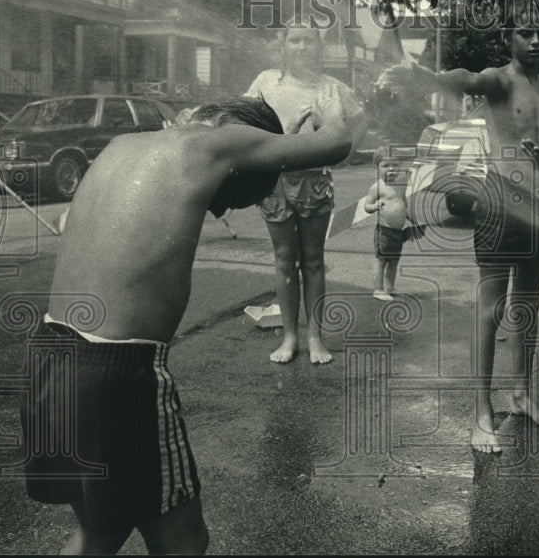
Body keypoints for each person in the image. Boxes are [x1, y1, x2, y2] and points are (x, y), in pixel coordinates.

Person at [22, 90, 351, 554]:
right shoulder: (214, 143)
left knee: (101, 530)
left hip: (50, 356)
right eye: (232, 196)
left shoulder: (122, 145)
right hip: (118, 375)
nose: (216, 211)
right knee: (184, 541)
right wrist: (330, 102)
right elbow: (337, 143)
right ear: (238, 129)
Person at [378, 0, 539, 453]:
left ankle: (520, 394)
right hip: (499, 202)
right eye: (525, 32)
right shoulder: (499, 81)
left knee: (528, 306)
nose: (535, 40)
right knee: (490, 310)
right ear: (509, 37)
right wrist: (424, 75)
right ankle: (481, 413)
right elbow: (463, 80)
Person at [244, 25, 367, 364]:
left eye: (307, 40)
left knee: (313, 261)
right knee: (284, 260)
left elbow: (360, 123)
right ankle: (289, 337)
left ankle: (315, 337)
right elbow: (241, 123)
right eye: (293, 40)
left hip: (314, 183)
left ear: (318, 46)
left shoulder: (332, 87)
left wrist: (343, 154)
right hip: (275, 183)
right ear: (282, 45)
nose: (301, 46)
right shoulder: (266, 82)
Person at [363, 147, 418, 300]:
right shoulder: (377, 187)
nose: (391, 169)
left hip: (398, 233)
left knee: (393, 261)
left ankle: (390, 287)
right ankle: (378, 289)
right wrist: (374, 207)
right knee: (381, 260)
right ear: (377, 168)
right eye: (386, 166)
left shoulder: (400, 186)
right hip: (384, 231)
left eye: (395, 165)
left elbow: (403, 205)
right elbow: (366, 206)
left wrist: (414, 220)